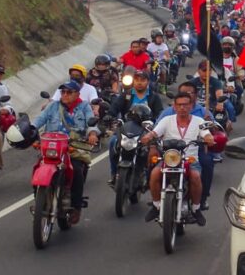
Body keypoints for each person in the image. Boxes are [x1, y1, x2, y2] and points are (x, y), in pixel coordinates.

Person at [32, 80, 100, 224]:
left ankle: (76, 207)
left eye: (69, 92)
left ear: (77, 94)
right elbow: (39, 120)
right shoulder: (53, 106)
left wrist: (92, 134)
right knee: (38, 167)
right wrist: (29, 130)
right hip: (52, 147)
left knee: (76, 171)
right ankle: (39, 199)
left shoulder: (84, 107)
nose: (65, 95)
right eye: (63, 92)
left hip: (74, 147)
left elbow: (91, 122)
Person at [142, 92, 214, 225]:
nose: (182, 108)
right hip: (169, 159)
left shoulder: (199, 121)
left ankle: (196, 208)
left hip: (190, 160)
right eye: (179, 105)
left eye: (185, 105)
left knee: (195, 176)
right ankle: (156, 205)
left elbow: (206, 133)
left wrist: (208, 138)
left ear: (191, 106)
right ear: (174, 106)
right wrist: (148, 136)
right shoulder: (166, 120)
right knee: (154, 174)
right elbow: (155, 132)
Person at [107, 69, 164, 184]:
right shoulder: (126, 95)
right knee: (113, 142)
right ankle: (114, 173)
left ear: (148, 82)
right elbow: (115, 107)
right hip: (126, 128)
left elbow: (160, 114)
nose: (139, 83)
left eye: (142, 80)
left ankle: (149, 176)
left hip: (146, 130)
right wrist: (109, 116)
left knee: (155, 149)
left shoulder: (154, 97)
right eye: (137, 80)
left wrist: (155, 124)